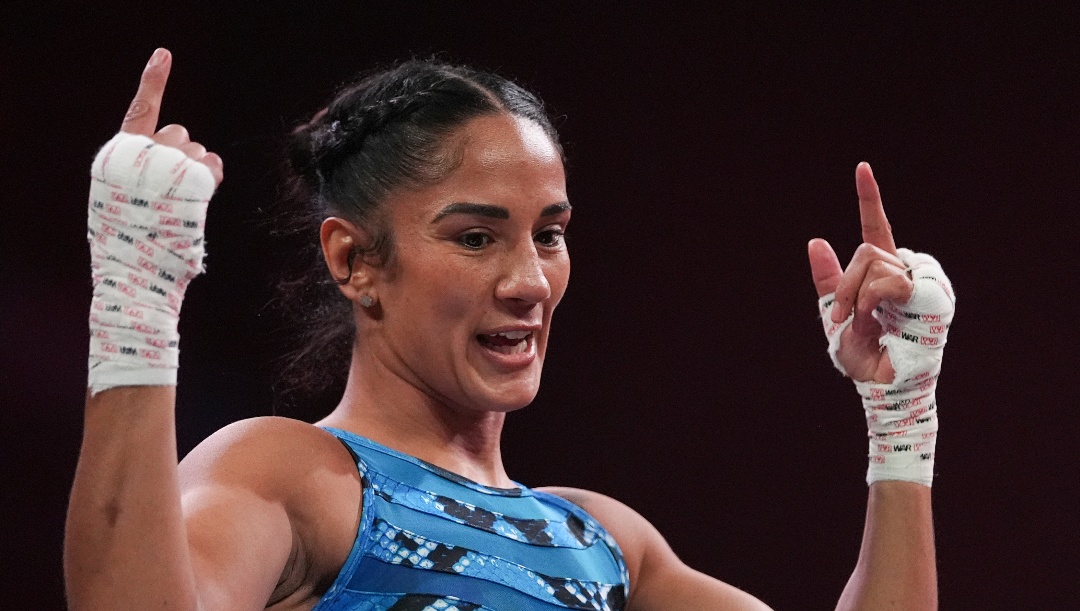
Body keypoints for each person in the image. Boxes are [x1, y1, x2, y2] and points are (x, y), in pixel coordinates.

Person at [65, 48, 954, 610]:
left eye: (551, 235)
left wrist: (902, 421)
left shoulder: (608, 543)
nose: (529, 281)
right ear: (354, 260)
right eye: (476, 236)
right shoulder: (291, 474)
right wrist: (137, 303)